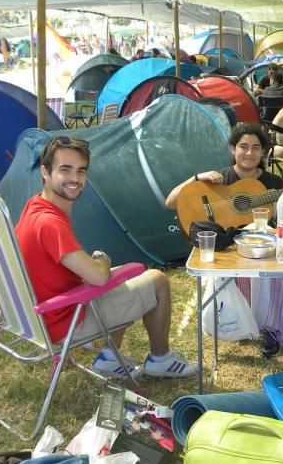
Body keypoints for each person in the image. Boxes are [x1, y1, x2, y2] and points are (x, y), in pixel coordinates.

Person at [16, 135, 196, 379]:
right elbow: (99, 277)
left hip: (44, 312)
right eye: (65, 170)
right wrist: (103, 259)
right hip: (66, 320)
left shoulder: (34, 206)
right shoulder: (50, 223)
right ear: (45, 172)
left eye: (81, 171)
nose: (75, 179)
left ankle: (110, 360)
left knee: (121, 278)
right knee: (156, 280)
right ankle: (160, 359)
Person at [165, 124, 283, 358]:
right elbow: (171, 202)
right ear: (233, 149)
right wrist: (196, 177)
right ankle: (239, 318)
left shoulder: (274, 183)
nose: (249, 153)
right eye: (243, 147)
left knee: (277, 269)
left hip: (264, 249)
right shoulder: (218, 179)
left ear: (263, 153)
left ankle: (272, 328)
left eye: (255, 148)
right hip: (229, 250)